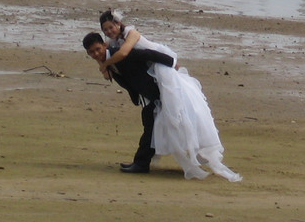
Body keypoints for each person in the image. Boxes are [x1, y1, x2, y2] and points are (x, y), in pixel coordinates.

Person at [98, 10, 241, 182]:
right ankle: (144, 160)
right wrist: (104, 64)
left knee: (173, 111)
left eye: (111, 27)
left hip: (160, 65)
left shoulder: (131, 33)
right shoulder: (111, 43)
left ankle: (144, 161)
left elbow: (124, 54)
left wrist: (105, 64)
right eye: (105, 30)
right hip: (150, 71)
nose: (109, 32)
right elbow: (108, 62)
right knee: (158, 116)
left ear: (118, 24)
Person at [82, 31, 174, 174]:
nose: (96, 54)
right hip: (144, 95)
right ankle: (141, 162)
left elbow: (147, 54)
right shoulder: (107, 61)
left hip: (153, 92)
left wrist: (172, 62)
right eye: (91, 52)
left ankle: (141, 164)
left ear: (104, 45)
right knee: (151, 127)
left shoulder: (120, 54)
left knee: (150, 127)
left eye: (98, 49)